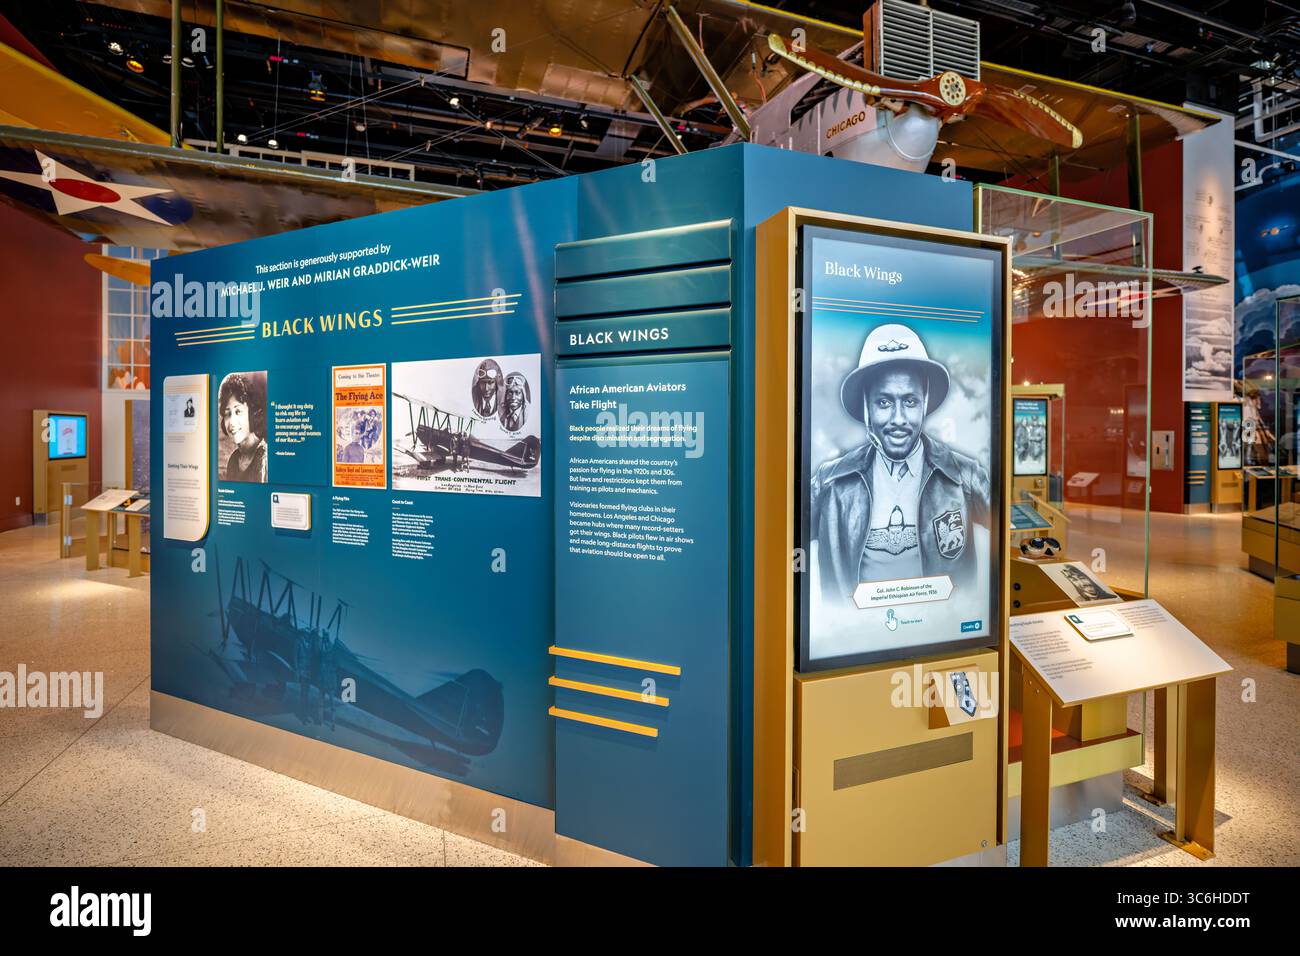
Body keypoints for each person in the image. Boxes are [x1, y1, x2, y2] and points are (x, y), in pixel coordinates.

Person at [810, 323, 990, 607]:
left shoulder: (965, 476)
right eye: (883, 402)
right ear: (866, 407)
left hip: (940, 633)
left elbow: (1014, 536)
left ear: (925, 403)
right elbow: (773, 545)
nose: (898, 419)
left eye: (909, 401)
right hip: (852, 639)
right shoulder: (829, 483)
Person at [219, 373, 267, 482]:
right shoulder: (234, 459)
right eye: (227, 414)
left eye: (238, 411)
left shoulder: (264, 459)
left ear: (253, 413)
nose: (231, 422)